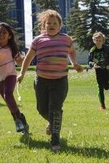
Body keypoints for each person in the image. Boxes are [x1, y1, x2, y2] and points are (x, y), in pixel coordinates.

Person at [17, 9, 84, 151]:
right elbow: (28, 58)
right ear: (44, 25)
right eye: (48, 23)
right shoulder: (38, 40)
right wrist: (22, 73)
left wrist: (74, 63)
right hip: (41, 80)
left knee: (55, 108)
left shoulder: (66, 39)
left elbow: (71, 52)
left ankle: (55, 140)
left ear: (60, 26)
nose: (52, 25)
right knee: (41, 109)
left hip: (60, 81)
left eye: (55, 23)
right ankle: (52, 121)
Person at [88, 32, 109, 110]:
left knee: (106, 87)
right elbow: (89, 61)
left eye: (100, 40)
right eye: (96, 40)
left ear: (103, 41)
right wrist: (93, 64)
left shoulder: (107, 49)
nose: (98, 42)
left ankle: (107, 84)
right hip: (98, 70)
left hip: (107, 70)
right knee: (100, 87)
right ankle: (102, 105)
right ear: (94, 41)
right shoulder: (92, 50)